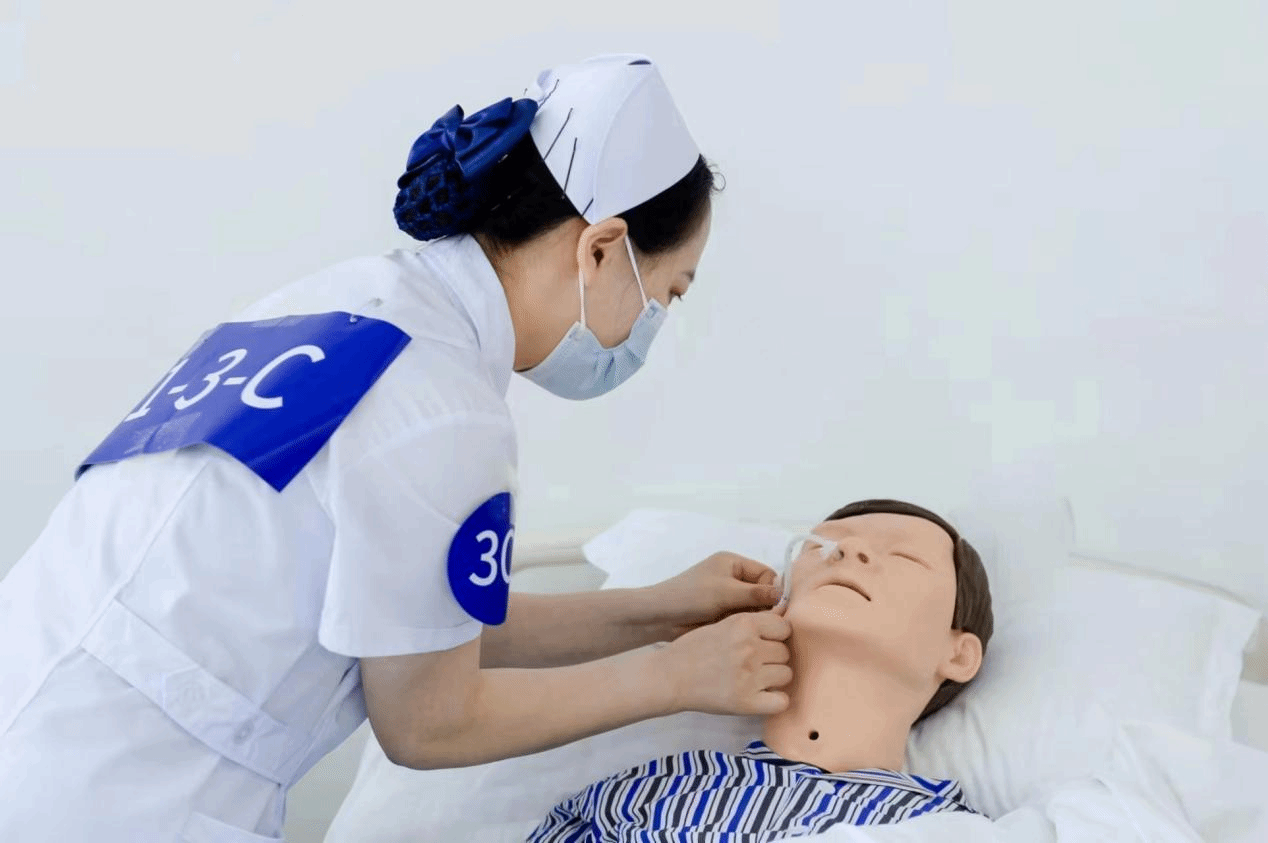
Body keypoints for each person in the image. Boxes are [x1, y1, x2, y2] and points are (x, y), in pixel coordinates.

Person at [0, 55, 793, 841]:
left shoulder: (338, 307)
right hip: (110, 799)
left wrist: (656, 609)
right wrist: (675, 675)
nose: (654, 323)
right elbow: (430, 719)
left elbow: (415, 626)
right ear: (600, 249)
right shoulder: (444, 408)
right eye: (668, 292)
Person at [527, 499, 995, 841]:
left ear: (959, 655)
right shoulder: (639, 793)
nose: (848, 552)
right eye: (821, 546)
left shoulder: (950, 829)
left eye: (905, 558)